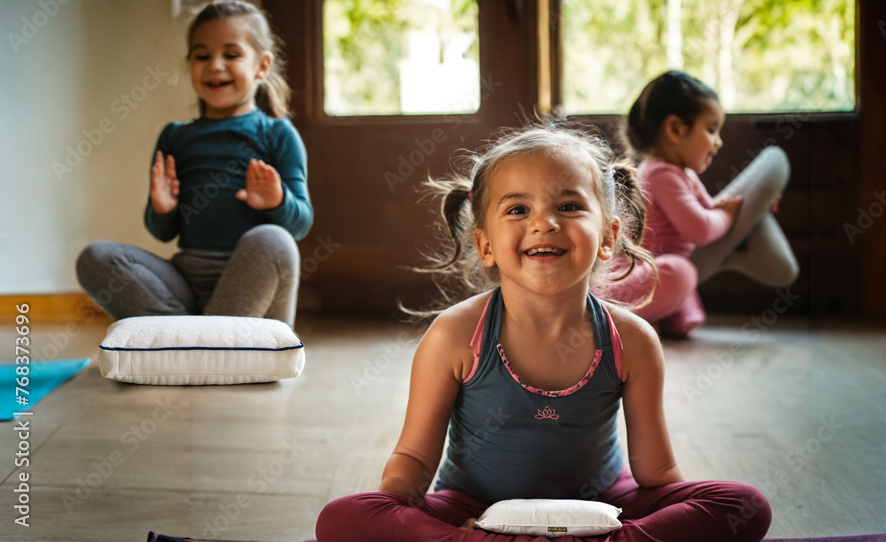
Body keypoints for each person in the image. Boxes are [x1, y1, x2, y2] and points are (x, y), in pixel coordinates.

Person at [315, 125, 771, 541]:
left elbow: (658, 474)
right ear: (485, 244)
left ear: (609, 235)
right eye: (517, 208)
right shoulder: (454, 335)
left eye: (569, 206)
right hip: (475, 509)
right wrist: (397, 508)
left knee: (745, 504)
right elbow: (413, 461)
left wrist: (661, 517)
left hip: (604, 506)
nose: (544, 222)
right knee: (340, 518)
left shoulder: (631, 339)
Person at [75, 0, 311, 327]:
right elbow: (162, 232)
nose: (215, 65)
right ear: (190, 65)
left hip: (252, 297)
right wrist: (162, 208)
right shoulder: (175, 136)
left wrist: (278, 201)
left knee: (275, 240)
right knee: (95, 258)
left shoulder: (277, 134)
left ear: (262, 66)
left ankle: (191, 341)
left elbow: (301, 223)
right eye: (202, 56)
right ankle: (201, 340)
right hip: (186, 282)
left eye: (231, 55)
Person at [604, 70, 798, 338]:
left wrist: (754, 207)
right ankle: (618, 313)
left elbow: (711, 211)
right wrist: (730, 217)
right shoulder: (659, 173)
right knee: (680, 272)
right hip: (642, 273)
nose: (718, 142)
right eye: (711, 130)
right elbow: (701, 228)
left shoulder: (683, 173)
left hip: (672, 266)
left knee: (683, 321)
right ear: (675, 129)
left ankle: (645, 316)